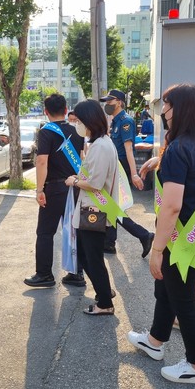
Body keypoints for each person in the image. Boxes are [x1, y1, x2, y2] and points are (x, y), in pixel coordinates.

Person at [128, 84, 195, 385]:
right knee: (168, 289)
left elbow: (172, 206)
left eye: (165, 106)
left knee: (182, 299)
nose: (162, 112)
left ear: (180, 110)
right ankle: (155, 341)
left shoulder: (180, 148)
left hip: (181, 240)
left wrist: (157, 249)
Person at [24, 94, 85, 288]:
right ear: (66, 109)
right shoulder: (77, 131)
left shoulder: (46, 132)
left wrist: (39, 189)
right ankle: (76, 274)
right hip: (74, 186)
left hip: (55, 188)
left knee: (45, 232)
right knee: (74, 229)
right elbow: (82, 158)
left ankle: (44, 274)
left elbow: (42, 161)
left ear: (45, 111)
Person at [65, 99, 119, 315]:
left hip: (94, 211)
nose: (77, 125)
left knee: (90, 257)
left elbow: (95, 183)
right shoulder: (101, 143)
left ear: (89, 120)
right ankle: (104, 292)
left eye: (79, 120)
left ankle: (105, 302)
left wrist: (74, 182)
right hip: (93, 209)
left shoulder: (100, 147)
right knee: (89, 256)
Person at [99, 89, 154, 256]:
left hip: (120, 167)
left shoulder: (126, 121)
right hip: (114, 166)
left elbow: (129, 150)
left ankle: (144, 235)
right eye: (106, 101)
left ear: (120, 102)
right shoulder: (115, 120)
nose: (108, 104)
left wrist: (134, 174)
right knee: (112, 205)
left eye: (111, 101)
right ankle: (109, 243)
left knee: (111, 206)